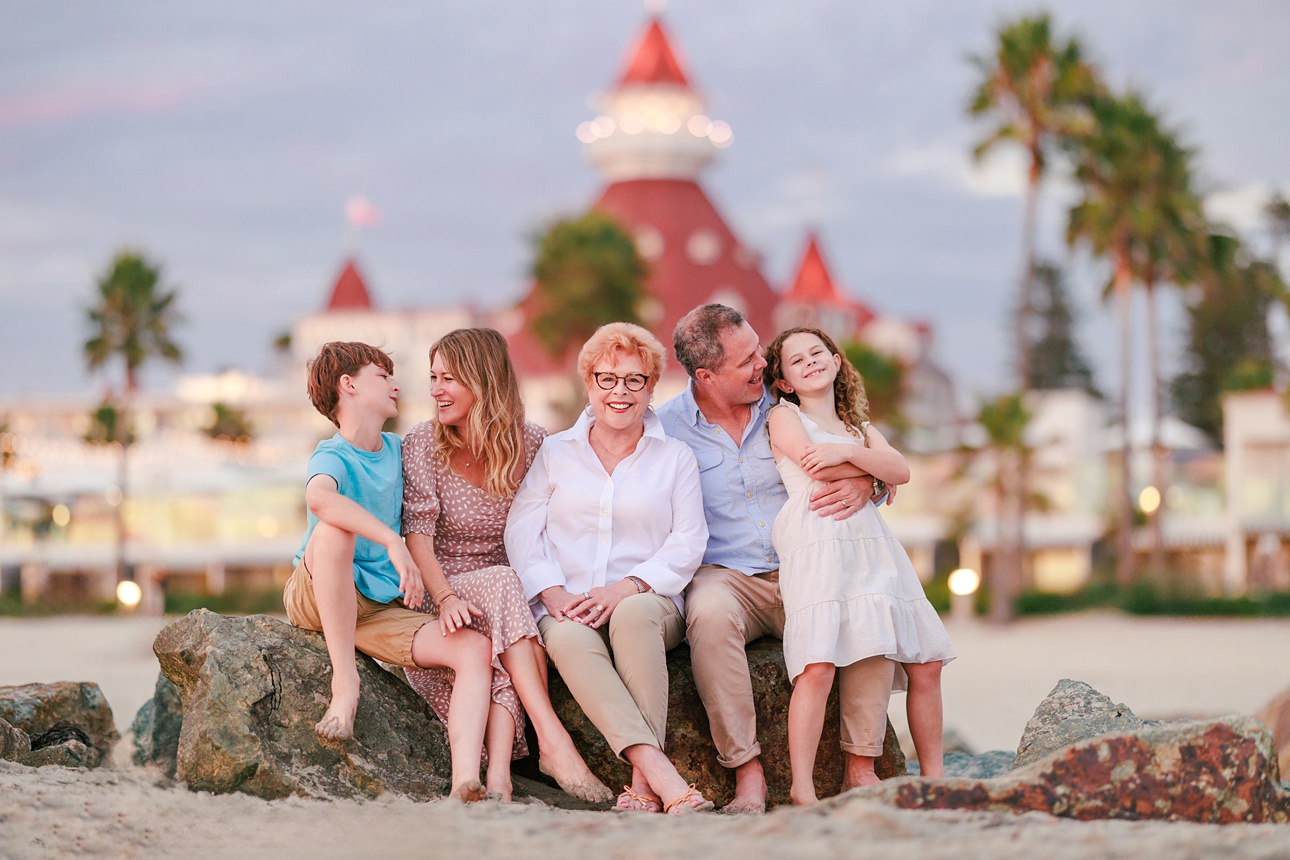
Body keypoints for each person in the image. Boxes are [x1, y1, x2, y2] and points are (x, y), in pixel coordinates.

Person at [655, 304, 890, 814]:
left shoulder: (790, 405)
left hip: (806, 565)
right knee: (710, 614)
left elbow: (858, 448)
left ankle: (862, 765)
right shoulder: (666, 427)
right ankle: (748, 772)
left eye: (759, 350)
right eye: (747, 361)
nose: (764, 363)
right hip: (727, 574)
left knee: (866, 604)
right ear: (706, 376)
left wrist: (868, 483)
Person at [506, 322, 713, 815]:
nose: (619, 391)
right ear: (589, 383)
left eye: (634, 380)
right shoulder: (555, 452)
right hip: (568, 601)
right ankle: (661, 777)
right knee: (570, 639)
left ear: (651, 387)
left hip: (649, 599)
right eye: (606, 378)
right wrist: (551, 593)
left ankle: (644, 785)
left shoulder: (676, 457)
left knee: (633, 617)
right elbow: (521, 529)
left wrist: (628, 586)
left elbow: (690, 540)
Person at [400, 328, 613, 804]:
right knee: (503, 586)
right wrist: (446, 596)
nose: (435, 389)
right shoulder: (422, 443)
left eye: (449, 378)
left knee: (507, 600)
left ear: (484, 380)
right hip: (445, 590)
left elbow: (577, 503)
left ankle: (498, 779)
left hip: (510, 595)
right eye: (432, 377)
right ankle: (553, 740)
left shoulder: (533, 442)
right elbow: (418, 538)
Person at [282, 341, 493, 802]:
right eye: (384, 375)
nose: (396, 384)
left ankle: (464, 781)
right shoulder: (332, 454)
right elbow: (320, 500)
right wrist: (391, 539)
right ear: (349, 385)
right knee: (335, 532)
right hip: (318, 593)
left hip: (375, 610)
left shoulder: (402, 449)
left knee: (473, 648)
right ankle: (345, 684)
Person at [763, 326, 956, 804]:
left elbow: (903, 472)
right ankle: (803, 789)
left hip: (872, 548)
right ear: (784, 380)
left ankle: (934, 780)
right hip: (820, 540)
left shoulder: (860, 430)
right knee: (818, 665)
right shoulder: (783, 417)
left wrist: (852, 454)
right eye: (796, 360)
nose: (810, 362)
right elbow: (816, 467)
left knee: (927, 661)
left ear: (835, 359)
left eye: (817, 352)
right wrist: (874, 471)